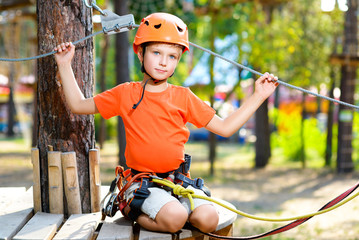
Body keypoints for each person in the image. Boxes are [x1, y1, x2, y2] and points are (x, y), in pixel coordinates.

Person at [54, 12, 278, 234]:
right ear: (140, 54)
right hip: (142, 183)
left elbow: (226, 128)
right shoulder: (125, 93)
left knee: (208, 219)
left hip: (177, 182)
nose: (163, 62)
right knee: (176, 218)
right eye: (156, 52)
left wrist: (259, 95)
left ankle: (174, 213)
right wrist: (64, 65)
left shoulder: (184, 97)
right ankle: (130, 207)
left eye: (172, 56)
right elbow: (78, 105)